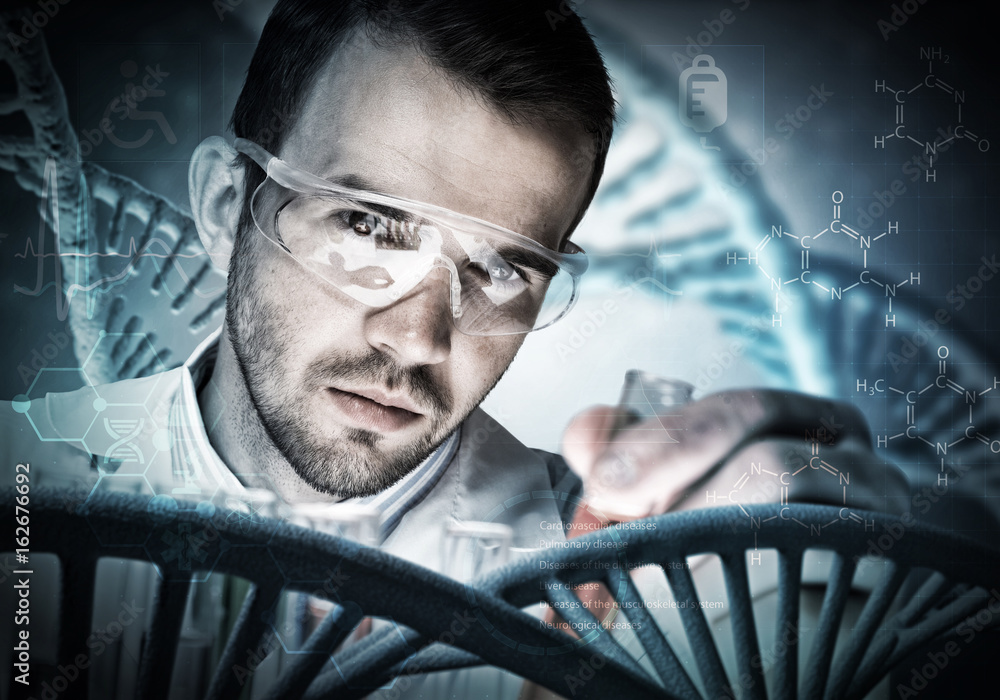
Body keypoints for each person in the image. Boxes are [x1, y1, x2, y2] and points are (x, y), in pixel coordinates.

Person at [1, 0, 910, 697]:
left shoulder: (612, 577)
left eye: (504, 270)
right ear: (220, 209)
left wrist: (845, 576)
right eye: (368, 225)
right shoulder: (21, 492)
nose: (417, 338)